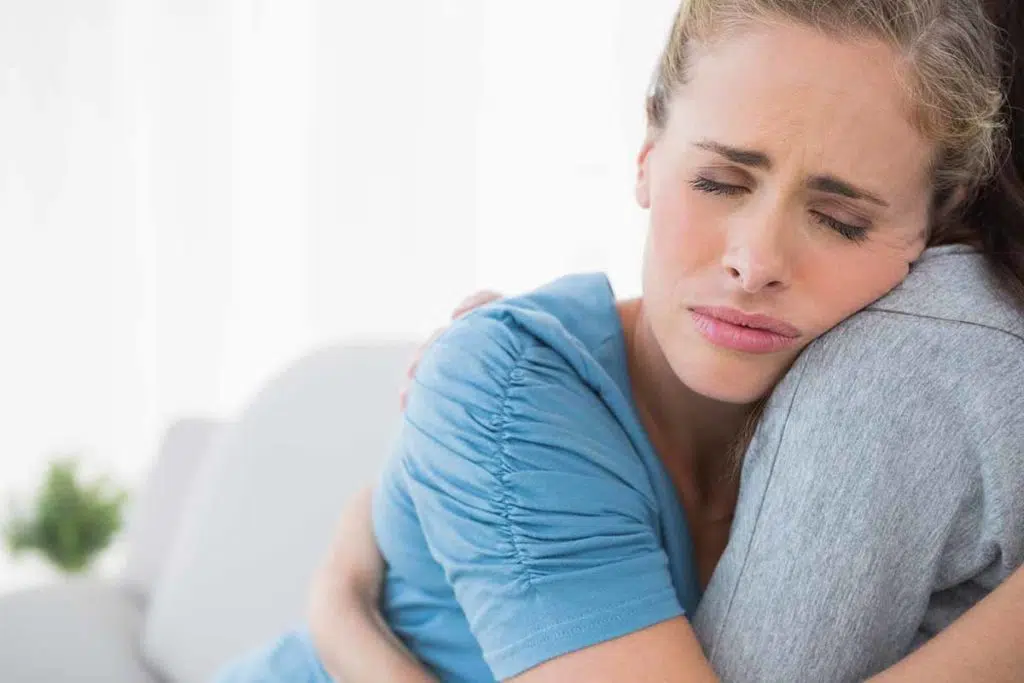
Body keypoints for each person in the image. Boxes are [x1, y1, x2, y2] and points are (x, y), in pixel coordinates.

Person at [217, 0, 1024, 681]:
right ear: (646, 156)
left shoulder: (885, 415)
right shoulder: (509, 387)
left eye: (841, 221)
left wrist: (344, 601)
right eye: (717, 182)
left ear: (932, 231)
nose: (754, 263)